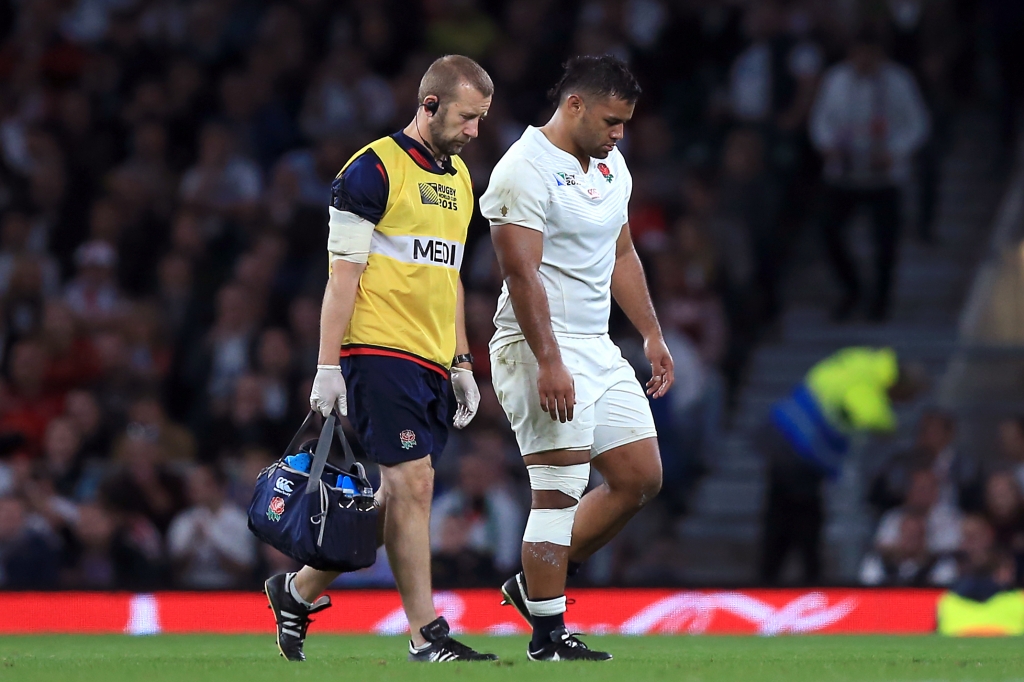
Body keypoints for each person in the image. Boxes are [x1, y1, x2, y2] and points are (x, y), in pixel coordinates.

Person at [263, 55, 497, 664]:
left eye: (481, 120)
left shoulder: (461, 180)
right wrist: (326, 366)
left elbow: (450, 278)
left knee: (397, 497)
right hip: (375, 348)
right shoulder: (371, 170)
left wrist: (463, 361)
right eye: (468, 118)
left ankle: (297, 590)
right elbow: (342, 277)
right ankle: (426, 634)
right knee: (414, 482)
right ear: (428, 106)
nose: (475, 131)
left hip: (429, 358)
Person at [481, 55, 674, 661]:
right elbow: (520, 272)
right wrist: (550, 361)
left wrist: (651, 333)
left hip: (598, 345)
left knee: (641, 478)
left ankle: (535, 583)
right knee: (558, 490)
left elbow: (622, 254)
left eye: (626, 124)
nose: (620, 135)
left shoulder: (612, 165)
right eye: (612, 121)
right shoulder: (521, 169)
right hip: (536, 346)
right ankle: (547, 634)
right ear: (575, 106)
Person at [759, 347, 927, 585]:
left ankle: (774, 576)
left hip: (786, 435)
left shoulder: (866, 361)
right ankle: (797, 582)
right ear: (900, 387)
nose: (898, 404)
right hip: (795, 446)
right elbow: (872, 416)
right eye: (904, 398)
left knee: (786, 519)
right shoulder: (869, 383)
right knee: (800, 522)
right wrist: (893, 428)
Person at [809, 29, 930, 321]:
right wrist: (827, 146)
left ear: (879, 54)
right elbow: (820, 120)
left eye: (869, 54)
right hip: (844, 175)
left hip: (883, 177)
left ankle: (880, 302)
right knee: (829, 232)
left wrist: (895, 151)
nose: (862, 60)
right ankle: (852, 289)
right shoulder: (835, 79)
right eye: (857, 54)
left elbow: (917, 124)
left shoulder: (899, 81)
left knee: (885, 243)